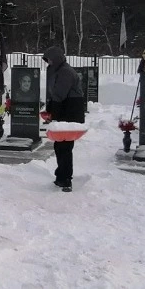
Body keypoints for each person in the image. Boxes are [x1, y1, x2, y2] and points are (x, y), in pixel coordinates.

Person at [43, 46, 85, 191]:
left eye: (50, 59)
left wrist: (52, 111)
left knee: (65, 147)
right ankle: (61, 175)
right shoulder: (59, 70)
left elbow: (59, 94)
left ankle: (66, 178)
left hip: (70, 112)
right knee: (60, 146)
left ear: (56, 59)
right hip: (65, 110)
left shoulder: (65, 72)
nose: (48, 62)